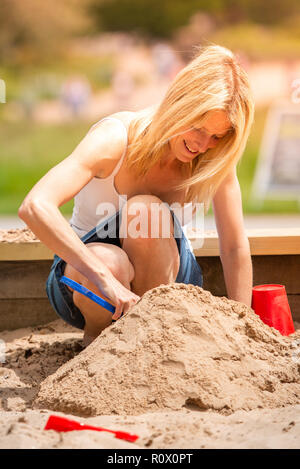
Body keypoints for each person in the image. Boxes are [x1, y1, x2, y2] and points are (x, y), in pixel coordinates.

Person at [19, 45, 255, 346]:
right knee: (110, 259)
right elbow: (35, 206)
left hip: (169, 286)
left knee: (146, 213)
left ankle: (152, 342)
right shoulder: (115, 138)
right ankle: (98, 346)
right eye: (197, 126)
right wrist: (105, 279)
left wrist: (242, 325)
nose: (202, 144)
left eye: (217, 135)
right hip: (84, 286)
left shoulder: (216, 157)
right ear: (177, 102)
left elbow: (234, 246)